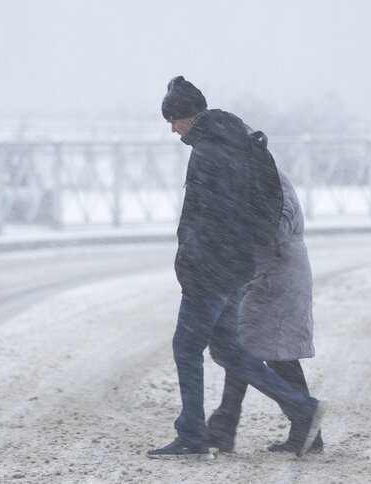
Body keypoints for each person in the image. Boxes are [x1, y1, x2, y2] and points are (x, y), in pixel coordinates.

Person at [146, 76, 327, 461]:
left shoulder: (209, 152)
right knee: (231, 349)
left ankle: (193, 434)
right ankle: (301, 409)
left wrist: (192, 264)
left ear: (186, 117)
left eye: (173, 120)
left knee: (186, 348)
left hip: (212, 268)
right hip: (234, 266)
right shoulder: (234, 146)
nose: (172, 129)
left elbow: (209, 216)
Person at [206, 169, 325, 454]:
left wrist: (237, 225)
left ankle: (301, 420)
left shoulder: (268, 178)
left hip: (277, 275)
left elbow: (277, 228)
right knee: (251, 347)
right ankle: (230, 423)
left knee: (268, 351)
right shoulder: (254, 176)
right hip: (267, 272)